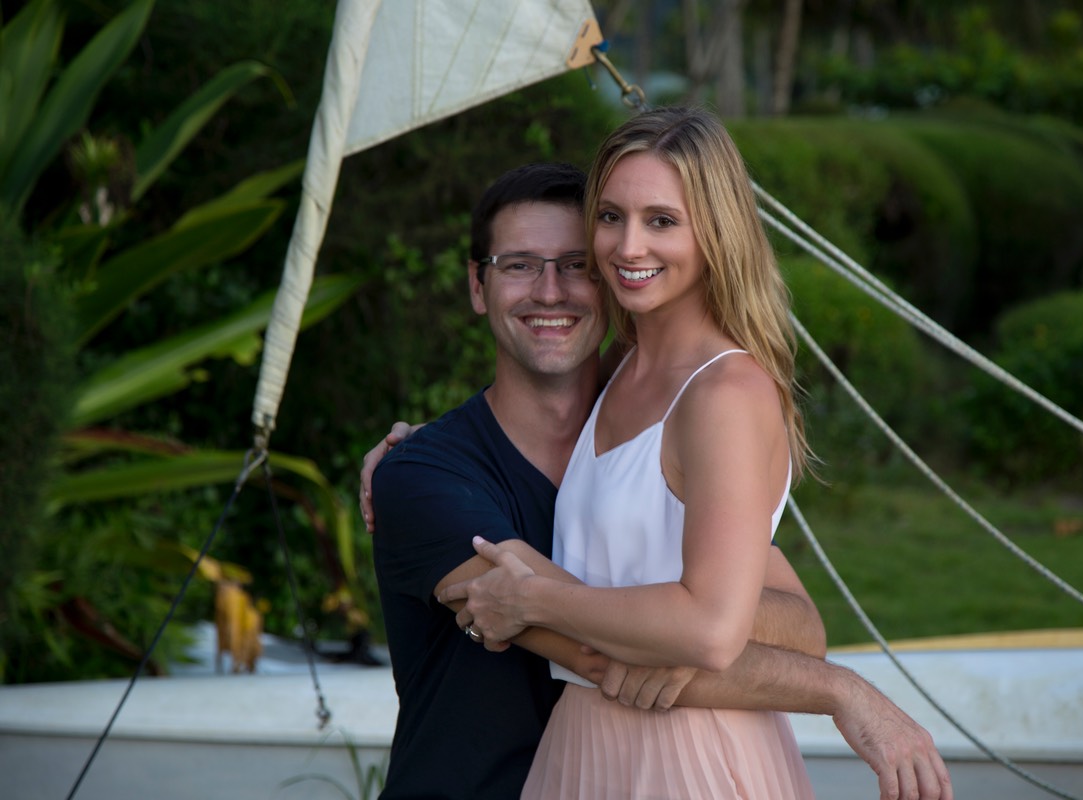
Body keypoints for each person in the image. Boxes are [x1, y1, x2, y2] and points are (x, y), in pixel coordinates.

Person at [365, 159, 951, 799]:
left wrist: (703, 625)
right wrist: (837, 691)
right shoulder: (423, 477)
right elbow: (596, 657)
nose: (551, 291)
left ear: (611, 279)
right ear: (479, 287)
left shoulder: (641, 444)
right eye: (520, 264)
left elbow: (797, 623)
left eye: (577, 264)